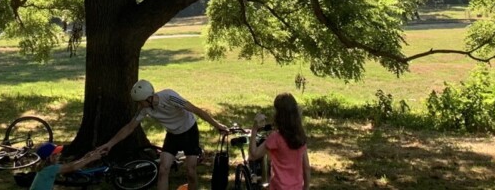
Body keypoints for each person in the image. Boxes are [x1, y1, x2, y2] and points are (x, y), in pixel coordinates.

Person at [97, 79, 229, 190]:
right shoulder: (144, 108)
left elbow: (196, 110)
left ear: (149, 98)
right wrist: (109, 144)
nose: (139, 105)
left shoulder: (170, 97)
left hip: (189, 132)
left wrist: (218, 126)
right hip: (172, 135)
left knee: (190, 171)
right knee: (163, 170)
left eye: (140, 101)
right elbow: (130, 127)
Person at [248, 93, 309, 190]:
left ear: (279, 115)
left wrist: (255, 128)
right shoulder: (300, 137)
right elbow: (306, 167)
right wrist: (305, 187)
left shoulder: (275, 138)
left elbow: (253, 154)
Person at [29, 143, 108, 190]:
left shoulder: (47, 167)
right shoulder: (50, 169)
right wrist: (91, 158)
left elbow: (70, 165)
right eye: (55, 155)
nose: (58, 155)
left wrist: (85, 157)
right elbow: (72, 168)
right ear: (48, 158)